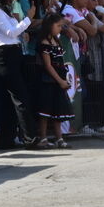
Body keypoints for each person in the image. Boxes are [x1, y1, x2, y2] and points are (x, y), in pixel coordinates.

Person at [0, 0, 38, 149]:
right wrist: (28, 18)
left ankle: (7, 139)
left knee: (10, 101)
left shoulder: (3, 9)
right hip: (3, 55)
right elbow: (12, 31)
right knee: (20, 98)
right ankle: (30, 138)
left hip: (12, 54)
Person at [34, 12, 72, 149]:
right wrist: (60, 81)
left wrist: (63, 80)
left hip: (59, 79)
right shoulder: (44, 42)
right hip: (48, 80)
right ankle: (43, 137)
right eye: (58, 26)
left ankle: (59, 138)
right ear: (50, 26)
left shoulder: (57, 40)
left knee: (58, 110)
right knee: (45, 110)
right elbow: (48, 66)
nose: (60, 28)